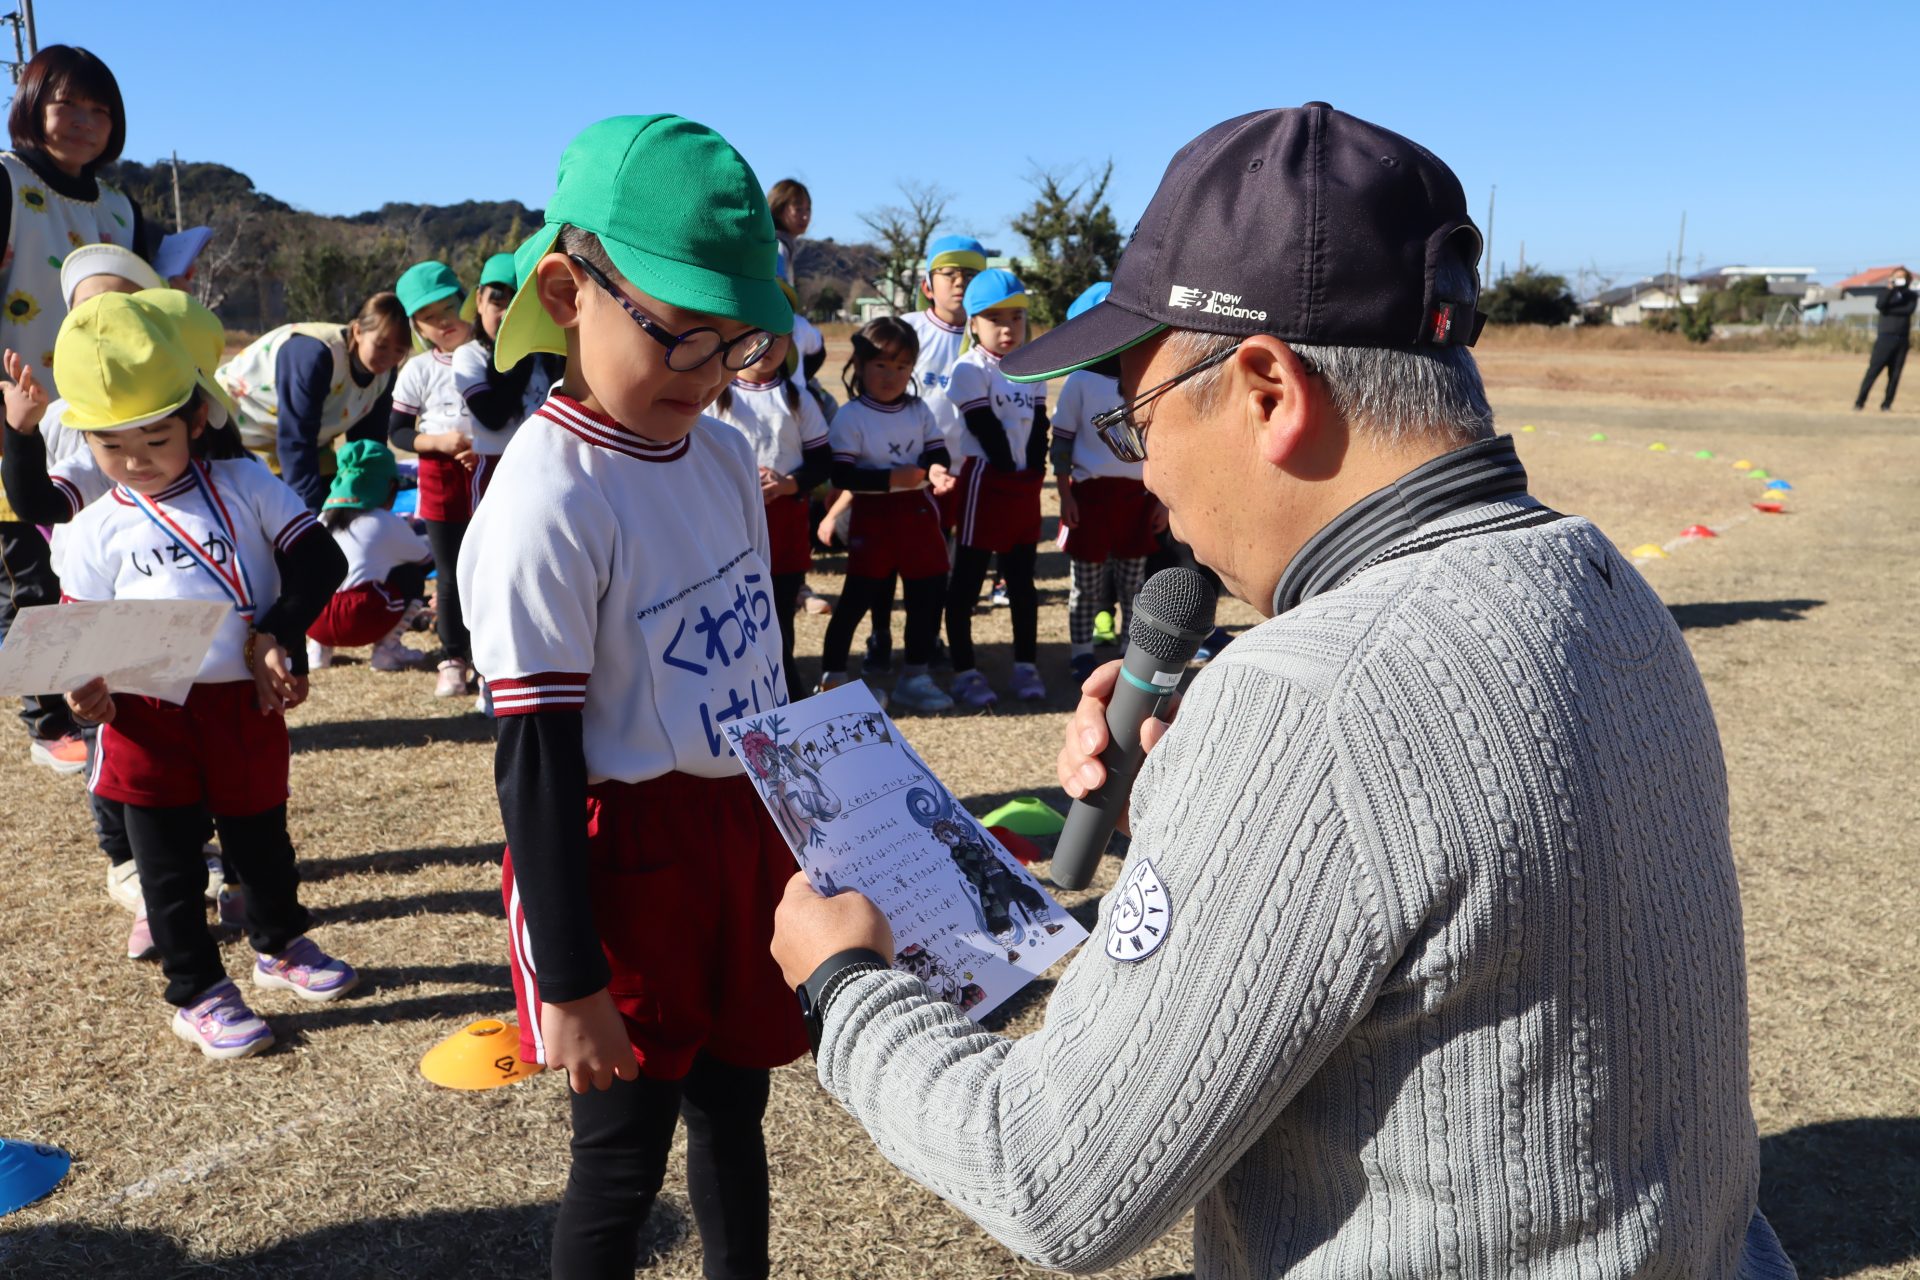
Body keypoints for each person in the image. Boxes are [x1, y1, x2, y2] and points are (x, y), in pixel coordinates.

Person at [772, 103, 1796, 1280]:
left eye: (1139, 417)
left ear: (1267, 388)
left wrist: (846, 985)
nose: (1147, 471)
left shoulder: (1309, 703)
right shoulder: (1596, 575)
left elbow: (1049, 1171)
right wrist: (1208, 782)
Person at [456, 115, 807, 1280]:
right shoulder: (546, 498)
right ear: (568, 291)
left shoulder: (721, 455)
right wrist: (570, 978)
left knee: (736, 1107)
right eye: (682, 336)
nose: (708, 375)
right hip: (624, 855)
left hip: (739, 824)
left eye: (736, 344)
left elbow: (762, 662)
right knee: (620, 1157)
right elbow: (536, 761)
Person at [54, 293, 357, 1061]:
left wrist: (276, 631)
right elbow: (78, 640)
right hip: (145, 717)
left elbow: (321, 560)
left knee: (263, 840)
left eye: (156, 437)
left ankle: (280, 943)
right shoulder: (92, 531)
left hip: (239, 704)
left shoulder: (246, 484)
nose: (136, 460)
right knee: (170, 866)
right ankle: (196, 991)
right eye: (111, 445)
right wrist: (84, 691)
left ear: (195, 418)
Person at [3, 287, 242, 960]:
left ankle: (220, 868)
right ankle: (137, 873)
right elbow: (38, 501)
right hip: (119, 635)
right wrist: (21, 434)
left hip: (209, 643)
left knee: (211, 765)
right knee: (124, 765)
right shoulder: (100, 443)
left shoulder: (220, 452)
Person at [0, 46, 159, 774]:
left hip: (101, 419)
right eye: (68, 105)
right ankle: (47, 718)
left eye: (101, 110)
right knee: (29, 570)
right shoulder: (6, 179)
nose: (85, 122)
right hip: (17, 410)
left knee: (89, 565)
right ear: (33, 106)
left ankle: (91, 697)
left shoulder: (122, 207)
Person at [816, 316, 954, 712]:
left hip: (919, 515)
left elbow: (937, 452)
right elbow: (842, 474)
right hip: (873, 520)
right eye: (881, 364)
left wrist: (936, 470)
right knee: (855, 600)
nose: (891, 375)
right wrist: (892, 478)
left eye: (902, 365)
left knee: (926, 595)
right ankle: (832, 679)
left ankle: (916, 676)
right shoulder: (851, 416)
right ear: (859, 365)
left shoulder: (919, 409)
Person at [707, 302, 833, 687]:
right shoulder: (714, 393)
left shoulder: (799, 397)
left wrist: (789, 484)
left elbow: (822, 461)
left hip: (786, 523)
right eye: (756, 333)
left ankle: (785, 687)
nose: (768, 344)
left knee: (779, 612)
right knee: (729, 611)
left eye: (779, 336)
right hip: (728, 523)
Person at [944, 268, 1049, 708]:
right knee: (967, 580)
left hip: (1022, 485)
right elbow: (984, 427)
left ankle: (1026, 664)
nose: (1008, 328)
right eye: (994, 319)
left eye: (1016, 318)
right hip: (985, 482)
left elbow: (1039, 426)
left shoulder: (1032, 366)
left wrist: (1033, 472)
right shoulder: (969, 368)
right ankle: (964, 670)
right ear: (973, 323)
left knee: (1022, 580)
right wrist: (1011, 471)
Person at [1051, 281, 1165, 684]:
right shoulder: (1079, 380)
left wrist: (1162, 501)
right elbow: (1061, 443)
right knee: (1086, 583)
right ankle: (1082, 653)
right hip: (1090, 496)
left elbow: (1161, 444)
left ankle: (1129, 654)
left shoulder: (1147, 376)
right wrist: (1064, 495)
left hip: (1138, 496)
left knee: (1134, 584)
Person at [217, 293, 411, 510]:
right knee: (273, 511)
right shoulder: (315, 355)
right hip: (235, 430)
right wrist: (310, 514)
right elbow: (296, 439)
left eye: (399, 351)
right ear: (358, 331)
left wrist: (370, 500)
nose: (389, 358)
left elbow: (367, 443)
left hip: (305, 440)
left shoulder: (385, 372)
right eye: (381, 346)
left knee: (336, 502)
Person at [386, 260, 475, 690]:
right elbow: (399, 431)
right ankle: (453, 657)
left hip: (492, 474)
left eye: (448, 308)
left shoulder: (496, 356)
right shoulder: (418, 370)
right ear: (416, 326)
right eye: (428, 316)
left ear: (466, 301)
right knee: (450, 573)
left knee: (495, 567)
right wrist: (438, 443)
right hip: (441, 480)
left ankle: (491, 660)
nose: (442, 322)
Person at [306, 440, 434, 673]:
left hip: (313, 620)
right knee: (411, 576)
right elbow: (426, 562)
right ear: (389, 486)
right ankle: (387, 650)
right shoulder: (385, 521)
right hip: (358, 620)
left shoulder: (322, 518)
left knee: (318, 582)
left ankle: (317, 650)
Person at [451, 252, 558, 508]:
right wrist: (521, 360)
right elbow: (493, 417)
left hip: (546, 467)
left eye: (519, 306)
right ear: (479, 301)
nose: (508, 315)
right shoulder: (469, 355)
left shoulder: (549, 356)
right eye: (498, 304)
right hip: (494, 470)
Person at [1855, 267, 1914, 411]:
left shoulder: (1911, 295)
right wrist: (1890, 289)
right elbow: (1880, 305)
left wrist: (1889, 309)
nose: (1900, 279)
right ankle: (1859, 402)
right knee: (1873, 371)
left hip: (1902, 340)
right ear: (1891, 278)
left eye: (1902, 277)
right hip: (1884, 339)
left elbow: (1908, 310)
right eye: (1897, 277)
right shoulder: (1885, 292)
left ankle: (1887, 404)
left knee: (1895, 375)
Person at [767, 177, 810, 287]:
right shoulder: (777, 247)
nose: (805, 217)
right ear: (778, 209)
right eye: (798, 209)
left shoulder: (774, 242)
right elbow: (778, 287)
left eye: (808, 209)